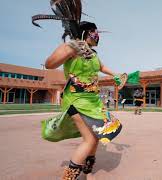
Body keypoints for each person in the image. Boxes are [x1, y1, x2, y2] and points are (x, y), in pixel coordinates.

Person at [45, 21, 122, 179]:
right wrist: (71, 48)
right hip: (76, 98)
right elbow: (49, 64)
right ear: (86, 33)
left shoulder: (94, 54)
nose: (97, 35)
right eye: (94, 31)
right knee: (90, 138)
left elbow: (101, 68)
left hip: (93, 100)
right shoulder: (71, 47)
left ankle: (88, 171)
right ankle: (68, 177)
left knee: (99, 134)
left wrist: (116, 75)